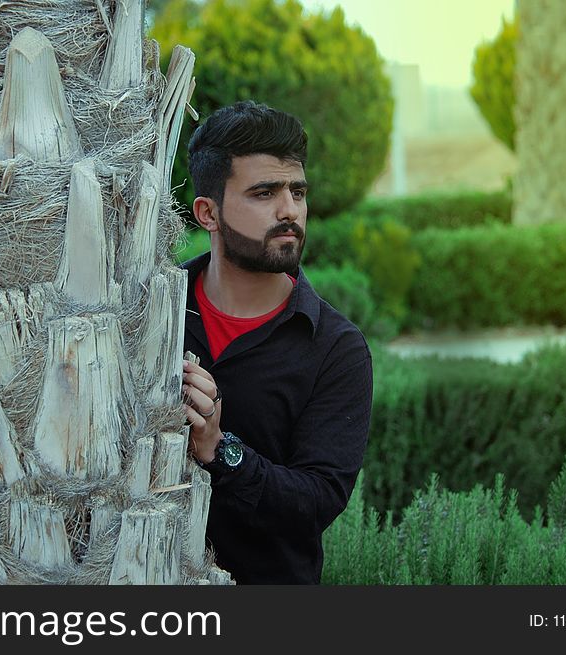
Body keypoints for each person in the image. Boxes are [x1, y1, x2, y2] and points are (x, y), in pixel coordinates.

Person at [180, 100, 374, 584]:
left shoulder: (335, 348)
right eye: (264, 192)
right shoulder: (150, 315)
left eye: (298, 191)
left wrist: (218, 448)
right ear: (209, 212)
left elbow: (316, 502)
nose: (290, 210)